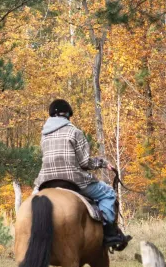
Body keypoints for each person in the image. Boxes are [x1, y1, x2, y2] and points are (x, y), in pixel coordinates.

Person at [34, 98, 130, 251]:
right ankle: (108, 232)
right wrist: (102, 163)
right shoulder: (75, 132)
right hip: (72, 181)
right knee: (108, 194)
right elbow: (85, 162)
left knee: (31, 204)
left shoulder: (44, 135)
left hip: (45, 182)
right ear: (68, 115)